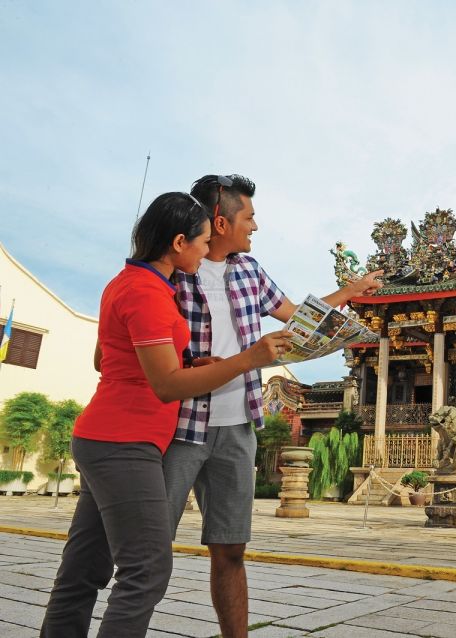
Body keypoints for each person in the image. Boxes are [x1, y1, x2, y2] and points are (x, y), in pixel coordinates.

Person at [41, 193, 293, 638]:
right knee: (147, 569)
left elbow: (111, 358)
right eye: (199, 242)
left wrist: (190, 360)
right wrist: (246, 359)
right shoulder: (148, 293)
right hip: (125, 442)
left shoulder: (137, 283)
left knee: (85, 569)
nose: (205, 249)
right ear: (179, 242)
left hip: (109, 436)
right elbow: (166, 386)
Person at [163, 174, 382, 638]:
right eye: (249, 217)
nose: (255, 227)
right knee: (149, 545)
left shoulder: (249, 270)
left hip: (238, 422)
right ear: (219, 222)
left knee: (231, 549)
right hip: (179, 424)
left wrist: (349, 293)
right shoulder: (175, 269)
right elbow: (150, 343)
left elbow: (295, 317)